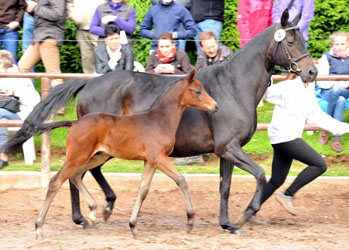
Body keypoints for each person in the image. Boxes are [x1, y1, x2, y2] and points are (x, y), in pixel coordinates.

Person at [250, 74, 349, 220]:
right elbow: (268, 94)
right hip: (285, 138)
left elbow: (318, 116)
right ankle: (288, 194)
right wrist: (268, 74)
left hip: (285, 138)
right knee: (319, 165)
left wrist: (345, 127)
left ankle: (249, 212)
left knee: (277, 180)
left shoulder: (308, 89)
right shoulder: (288, 86)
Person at [174, 30, 232, 166]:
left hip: (226, 94)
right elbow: (199, 78)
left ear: (217, 43)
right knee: (192, 114)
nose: (212, 49)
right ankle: (194, 153)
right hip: (209, 95)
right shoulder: (201, 57)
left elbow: (228, 77)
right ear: (201, 47)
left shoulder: (226, 53)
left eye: (213, 46)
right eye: (208, 47)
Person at [0, 50, 40, 169]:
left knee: (1, 114)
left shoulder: (20, 76)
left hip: (19, 112)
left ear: (7, 65)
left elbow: (34, 100)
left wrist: (13, 93)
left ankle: (2, 156)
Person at [317, 31, 349, 153]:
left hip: (346, 90)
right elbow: (321, 81)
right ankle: (336, 138)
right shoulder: (326, 57)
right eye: (337, 44)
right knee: (339, 100)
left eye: (342, 43)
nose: (340, 46)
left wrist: (344, 84)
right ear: (333, 45)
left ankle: (326, 128)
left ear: (348, 44)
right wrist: (337, 83)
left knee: (339, 94)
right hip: (328, 90)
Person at [67, 0, 105, 73]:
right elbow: (69, 3)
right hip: (81, 29)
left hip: (99, 28)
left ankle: (105, 82)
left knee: (103, 59)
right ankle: (89, 83)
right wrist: (74, 15)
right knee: (87, 61)